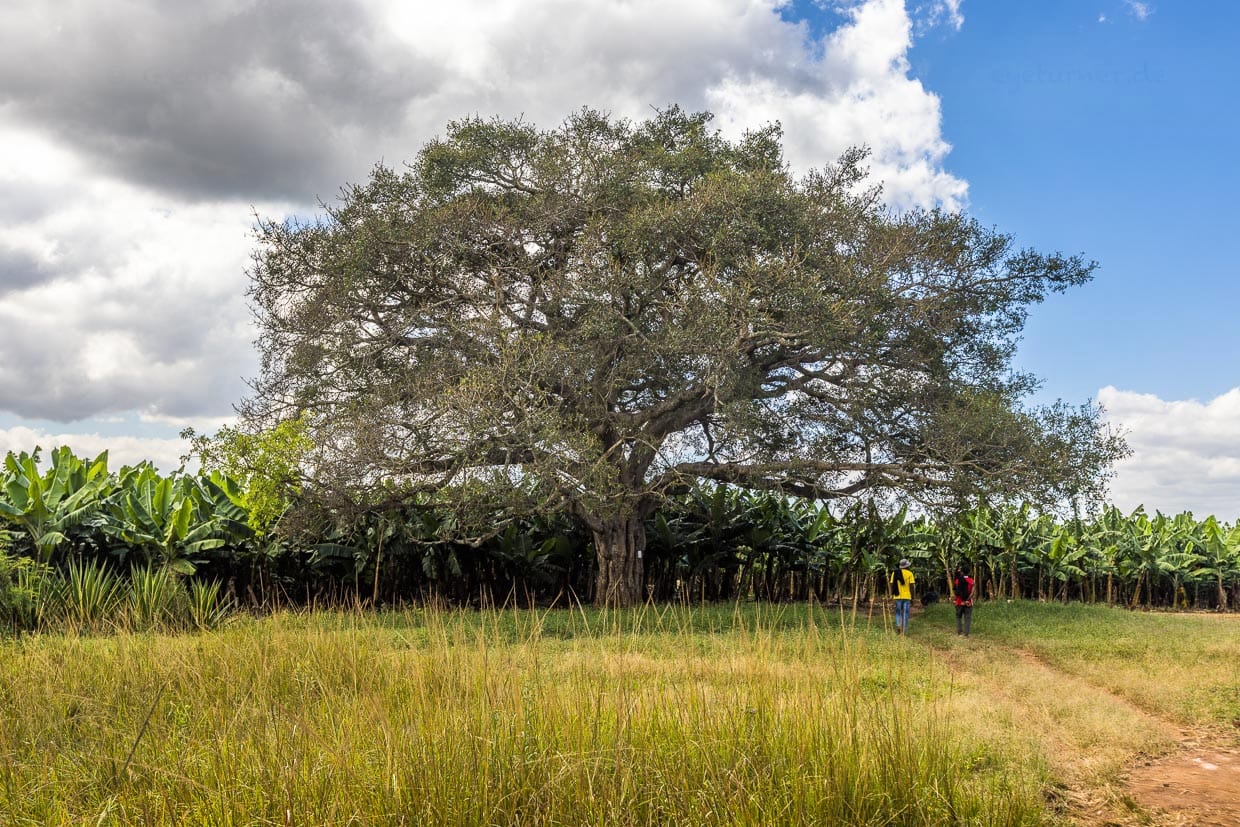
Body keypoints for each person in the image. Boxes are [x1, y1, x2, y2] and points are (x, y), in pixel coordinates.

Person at [890, 558, 915, 635]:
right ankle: (903, 630)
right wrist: (913, 597)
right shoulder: (910, 574)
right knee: (905, 613)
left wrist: (892, 594)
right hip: (907, 597)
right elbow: (911, 587)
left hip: (897, 596)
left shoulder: (894, 573)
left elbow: (891, 584)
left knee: (898, 612)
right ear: (907, 566)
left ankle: (898, 625)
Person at [952, 564, 975, 637]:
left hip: (959, 602)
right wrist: (967, 600)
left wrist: (957, 600)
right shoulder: (971, 581)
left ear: (962, 572)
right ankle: (966, 634)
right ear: (968, 572)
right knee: (967, 618)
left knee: (958, 617)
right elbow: (972, 593)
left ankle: (959, 632)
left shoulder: (957, 580)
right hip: (968, 602)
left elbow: (956, 592)